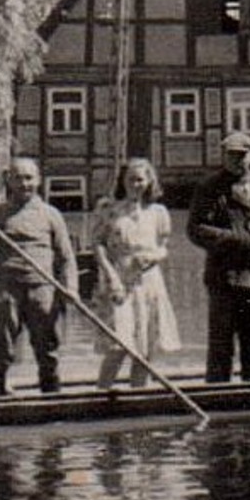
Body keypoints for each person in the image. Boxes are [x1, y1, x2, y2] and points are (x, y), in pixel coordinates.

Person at [0, 157, 79, 397]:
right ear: (9, 180)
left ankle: (52, 398)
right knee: (0, 347)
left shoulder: (51, 215)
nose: (24, 183)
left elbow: (66, 257)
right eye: (18, 177)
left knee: (47, 349)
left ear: (38, 180)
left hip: (42, 288)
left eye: (29, 178)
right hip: (6, 289)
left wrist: (71, 287)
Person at [187, 131, 250, 383]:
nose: (236, 161)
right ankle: (219, 396)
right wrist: (237, 239)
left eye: (242, 155)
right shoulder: (209, 187)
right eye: (231, 155)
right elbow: (195, 229)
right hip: (225, 278)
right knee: (222, 345)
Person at [93, 157, 182, 389]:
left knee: (145, 348)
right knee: (118, 345)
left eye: (140, 180)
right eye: (131, 179)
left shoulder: (158, 212)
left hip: (149, 283)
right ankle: (100, 396)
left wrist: (155, 256)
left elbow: (164, 246)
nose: (136, 184)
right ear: (123, 181)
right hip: (119, 281)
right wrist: (111, 277)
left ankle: (139, 395)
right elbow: (98, 245)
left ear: (149, 181)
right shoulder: (109, 209)